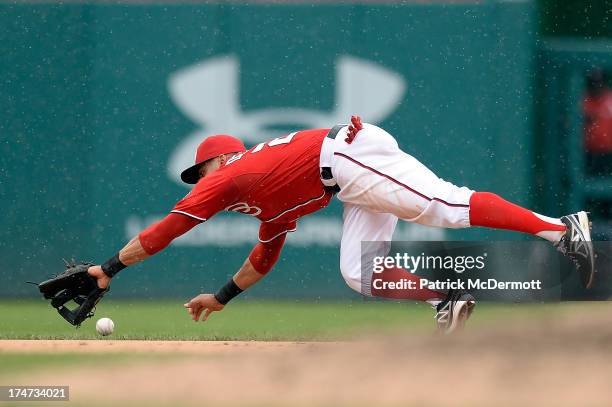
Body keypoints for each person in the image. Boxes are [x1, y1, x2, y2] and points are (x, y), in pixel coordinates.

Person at [87, 116, 595, 334]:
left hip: (348, 155)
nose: (198, 182)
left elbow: (166, 231)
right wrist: (221, 297)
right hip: (345, 178)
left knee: (445, 205)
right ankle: (447, 302)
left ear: (220, 160)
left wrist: (109, 268)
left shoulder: (231, 175)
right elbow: (265, 255)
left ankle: (562, 229)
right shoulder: (265, 200)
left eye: (200, 171)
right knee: (359, 271)